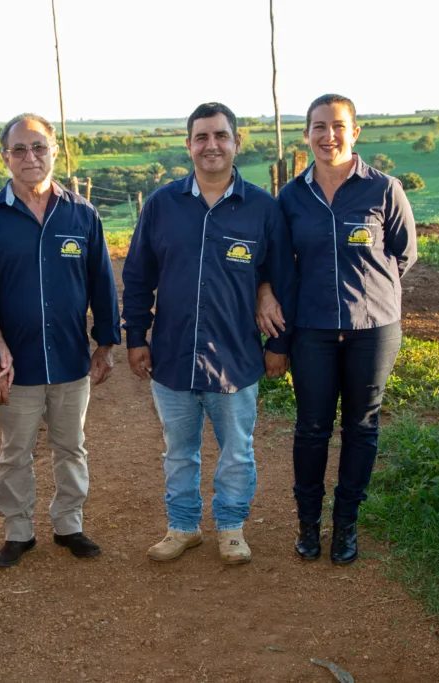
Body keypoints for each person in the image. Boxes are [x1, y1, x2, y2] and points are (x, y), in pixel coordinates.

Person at [122, 102, 296, 565]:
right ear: (188, 145)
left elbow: (281, 279)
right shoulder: (162, 205)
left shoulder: (262, 208)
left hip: (236, 358)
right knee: (179, 452)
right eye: (201, 137)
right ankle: (182, 527)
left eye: (220, 136)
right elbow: (138, 277)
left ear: (237, 143)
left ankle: (232, 528)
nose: (211, 145)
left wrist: (278, 345)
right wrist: (135, 337)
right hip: (173, 356)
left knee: (237, 451)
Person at [259, 93, 417, 565]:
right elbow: (278, 264)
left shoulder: (385, 189)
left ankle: (346, 525)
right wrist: (267, 296)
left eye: (338, 126)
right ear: (306, 134)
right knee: (311, 429)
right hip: (313, 330)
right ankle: (309, 524)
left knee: (361, 428)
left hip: (373, 329)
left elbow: (403, 256)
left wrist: (369, 292)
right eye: (319, 127)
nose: (329, 135)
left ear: (355, 131)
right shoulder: (289, 198)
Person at [0, 113, 121, 568]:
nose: (29, 157)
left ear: (55, 151)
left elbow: (102, 284)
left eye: (38, 147)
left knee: (71, 445)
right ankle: (18, 531)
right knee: (15, 452)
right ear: (5, 158)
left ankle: (69, 524)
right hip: (17, 367)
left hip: (71, 360)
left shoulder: (81, 214)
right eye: (19, 149)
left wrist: (106, 343)